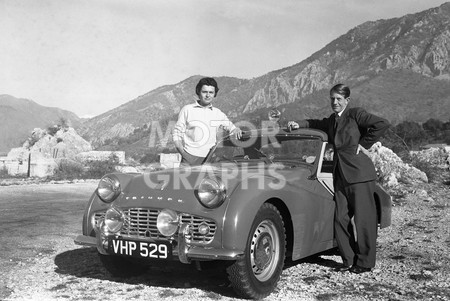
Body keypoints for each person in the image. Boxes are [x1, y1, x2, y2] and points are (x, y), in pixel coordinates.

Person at [288, 83, 390, 274]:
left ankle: (365, 262)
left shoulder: (355, 114)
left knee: (364, 219)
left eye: (339, 99)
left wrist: (363, 143)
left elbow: (381, 124)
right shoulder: (333, 120)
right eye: (332, 98)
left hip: (359, 173)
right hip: (340, 175)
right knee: (340, 218)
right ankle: (349, 259)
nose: (335, 102)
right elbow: (316, 123)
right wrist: (298, 124)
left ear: (347, 100)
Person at [172, 77, 242, 165]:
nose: (208, 95)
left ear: (214, 94)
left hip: (210, 160)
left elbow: (232, 128)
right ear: (198, 92)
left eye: (211, 92)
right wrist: (184, 154)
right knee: (185, 179)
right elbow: (176, 134)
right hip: (189, 158)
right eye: (204, 92)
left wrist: (236, 129)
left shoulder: (217, 113)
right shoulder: (187, 110)